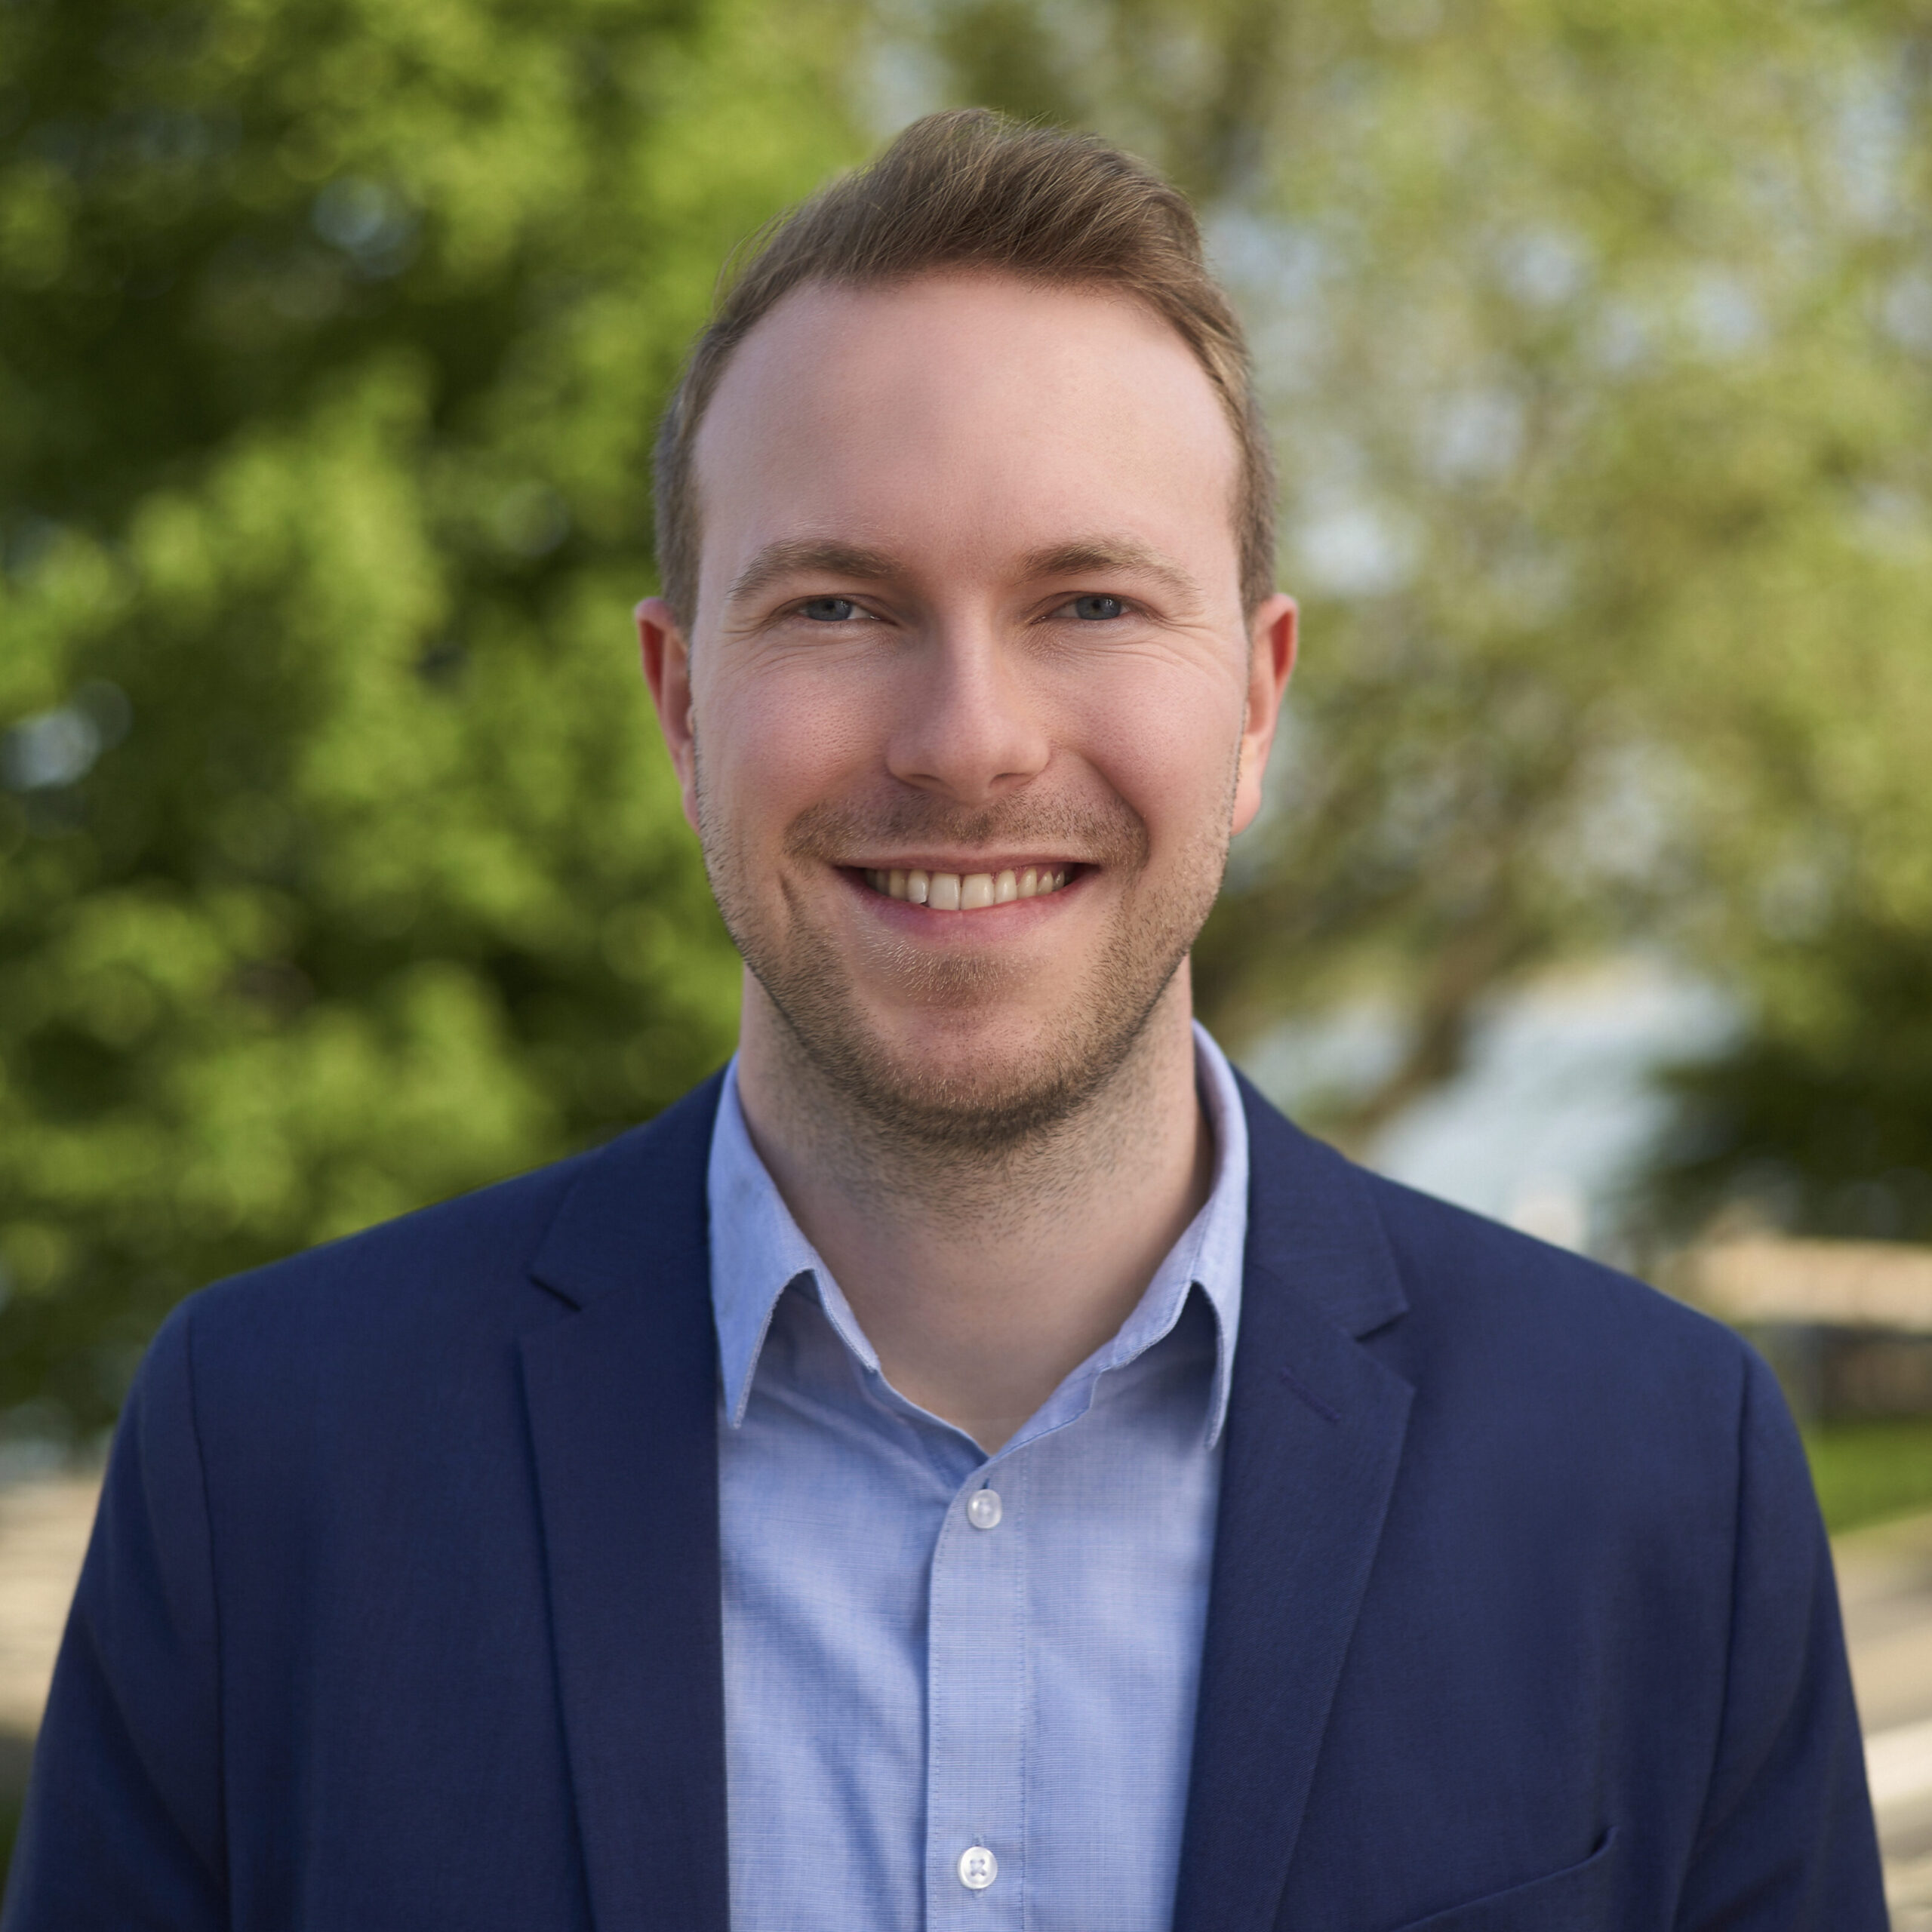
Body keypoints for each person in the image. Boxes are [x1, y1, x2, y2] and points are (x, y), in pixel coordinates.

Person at [3, 110, 1884, 1932]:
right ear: (680, 706)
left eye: (1088, 601)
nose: (968, 739)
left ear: (1253, 703)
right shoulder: (270, 1458)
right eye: (839, 606)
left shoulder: (1659, 1472)